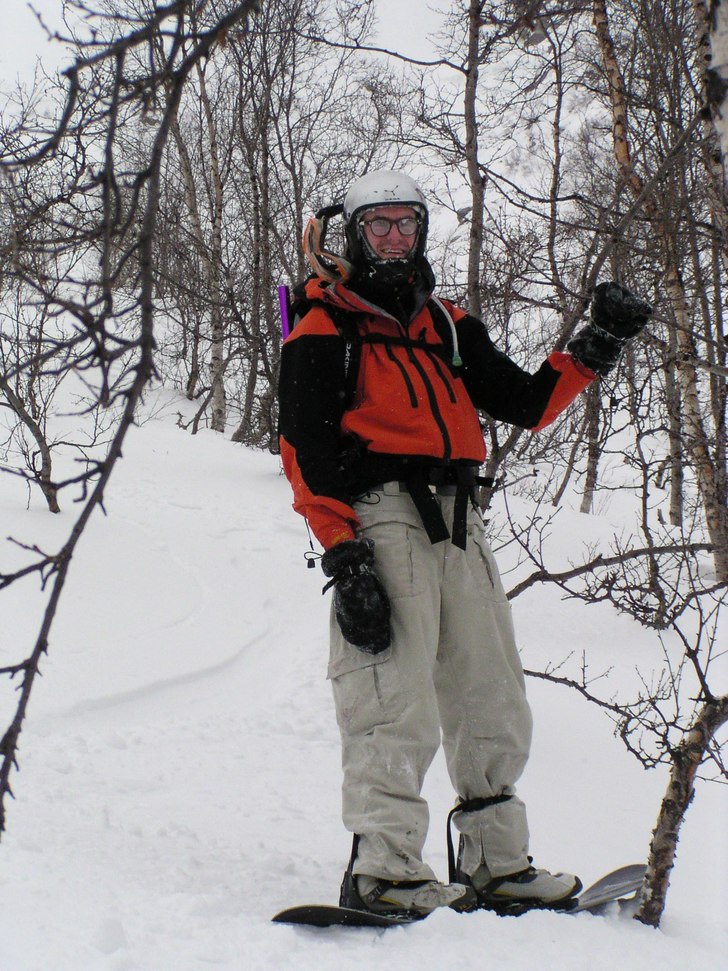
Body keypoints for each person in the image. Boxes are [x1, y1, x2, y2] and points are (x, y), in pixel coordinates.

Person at [277, 170, 651, 918]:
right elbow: (305, 452)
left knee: (491, 692)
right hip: (381, 517)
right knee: (393, 693)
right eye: (379, 225)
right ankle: (384, 867)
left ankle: (495, 863)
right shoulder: (323, 330)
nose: (393, 238)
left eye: (405, 225)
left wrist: (595, 344)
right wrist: (344, 554)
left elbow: (526, 402)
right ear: (354, 233)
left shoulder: (445, 326)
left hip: (461, 518)